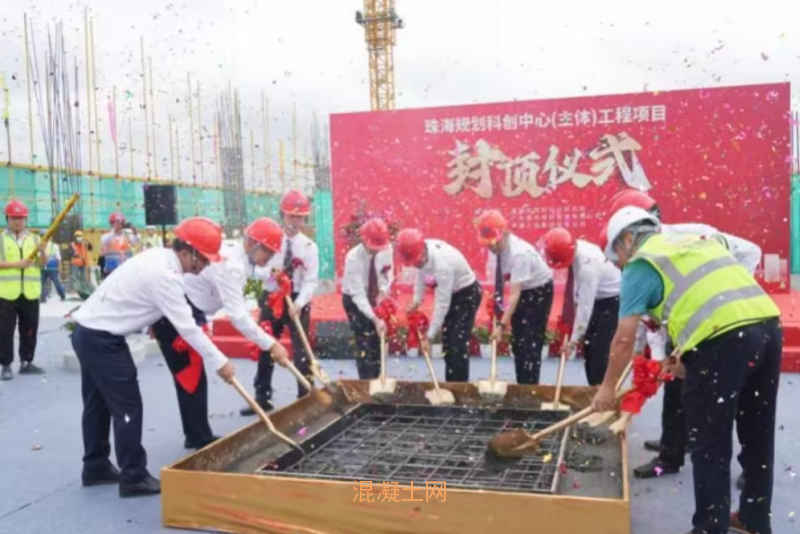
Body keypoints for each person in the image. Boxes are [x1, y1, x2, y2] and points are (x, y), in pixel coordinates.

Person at [592, 206, 781, 534]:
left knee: (709, 443)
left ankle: (709, 528)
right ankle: (754, 519)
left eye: (617, 256)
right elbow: (704, 298)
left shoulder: (641, 263)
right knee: (758, 433)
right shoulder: (696, 240)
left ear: (628, 239)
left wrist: (607, 389)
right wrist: (686, 360)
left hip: (723, 339)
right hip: (767, 327)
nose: (619, 265)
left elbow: (623, 338)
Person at [604, 189, 761, 486]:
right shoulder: (642, 259)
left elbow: (752, 251)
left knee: (734, 398)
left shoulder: (693, 234)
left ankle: (751, 468)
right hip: (684, 326)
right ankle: (671, 452)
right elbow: (649, 318)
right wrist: (656, 358)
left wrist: (729, 295)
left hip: (726, 324)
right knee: (676, 390)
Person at [70, 217, 236, 498]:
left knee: (97, 404)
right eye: (204, 259)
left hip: (87, 331)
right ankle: (133, 476)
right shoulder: (166, 276)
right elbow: (187, 327)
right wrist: (221, 362)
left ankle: (95, 466)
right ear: (188, 252)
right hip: (102, 339)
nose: (206, 266)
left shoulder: (159, 257)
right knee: (128, 406)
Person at [154, 217, 291, 445]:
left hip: (189, 308)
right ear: (252, 243)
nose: (268, 257)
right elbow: (237, 315)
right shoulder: (230, 265)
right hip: (178, 312)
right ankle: (199, 437)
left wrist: (271, 276)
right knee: (190, 376)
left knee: (193, 377)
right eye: (266, 251)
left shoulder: (237, 257)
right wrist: (271, 344)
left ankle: (196, 434)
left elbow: (249, 272)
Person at [245, 190, 319, 415]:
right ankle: (262, 397)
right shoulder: (270, 240)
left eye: (300, 217)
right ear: (283, 215)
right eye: (291, 216)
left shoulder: (309, 247)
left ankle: (306, 397)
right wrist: (270, 274)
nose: (295, 222)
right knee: (266, 346)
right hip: (271, 298)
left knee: (302, 351)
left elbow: (311, 280)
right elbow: (254, 269)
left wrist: (300, 303)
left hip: (297, 300)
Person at [474, 210, 553, 385]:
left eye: (493, 243)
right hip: (522, 289)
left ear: (503, 234)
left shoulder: (519, 254)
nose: (491, 248)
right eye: (487, 244)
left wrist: (501, 326)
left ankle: (530, 387)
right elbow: (502, 281)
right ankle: (521, 383)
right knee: (518, 341)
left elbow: (515, 295)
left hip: (538, 292)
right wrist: (497, 307)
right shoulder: (497, 250)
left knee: (530, 341)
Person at [398, 229, 481, 382]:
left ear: (422, 251)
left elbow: (442, 303)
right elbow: (421, 276)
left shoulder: (443, 264)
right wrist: (417, 301)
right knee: (448, 344)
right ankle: (451, 385)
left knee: (457, 344)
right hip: (452, 294)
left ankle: (460, 388)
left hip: (467, 295)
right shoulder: (422, 252)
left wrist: (429, 336)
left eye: (416, 260)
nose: (416, 264)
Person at [542, 227, 620, 385]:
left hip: (612, 300)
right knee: (588, 347)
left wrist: (572, 341)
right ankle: (592, 388)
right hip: (597, 299)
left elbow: (585, 307)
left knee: (599, 349)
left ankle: (600, 390)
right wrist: (578, 332)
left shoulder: (587, 267)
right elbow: (577, 296)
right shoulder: (575, 249)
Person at [0, 200, 48, 381]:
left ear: (26, 219)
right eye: (14, 218)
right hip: (6, 293)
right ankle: (5, 365)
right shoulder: (1, 239)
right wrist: (17, 264)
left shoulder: (35, 240)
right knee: (5, 331)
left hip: (30, 292)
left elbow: (43, 264)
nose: (18, 221)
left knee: (29, 329)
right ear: (7, 218)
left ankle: (26, 362)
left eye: (21, 218)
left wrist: (43, 252)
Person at [341, 217, 394, 379]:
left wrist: (383, 291)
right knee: (363, 342)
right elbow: (358, 295)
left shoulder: (386, 248)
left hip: (376, 296)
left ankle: (378, 380)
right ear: (363, 240)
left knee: (378, 341)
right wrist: (375, 319)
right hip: (354, 300)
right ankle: (365, 383)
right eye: (373, 247)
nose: (377, 251)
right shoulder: (353, 258)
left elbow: (387, 273)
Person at [100, 212, 133, 279]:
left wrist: (132, 228)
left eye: (121, 223)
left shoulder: (126, 237)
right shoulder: (106, 237)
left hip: (124, 268)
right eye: (117, 222)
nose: (119, 225)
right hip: (111, 269)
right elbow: (104, 244)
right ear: (112, 224)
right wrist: (114, 230)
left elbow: (136, 239)